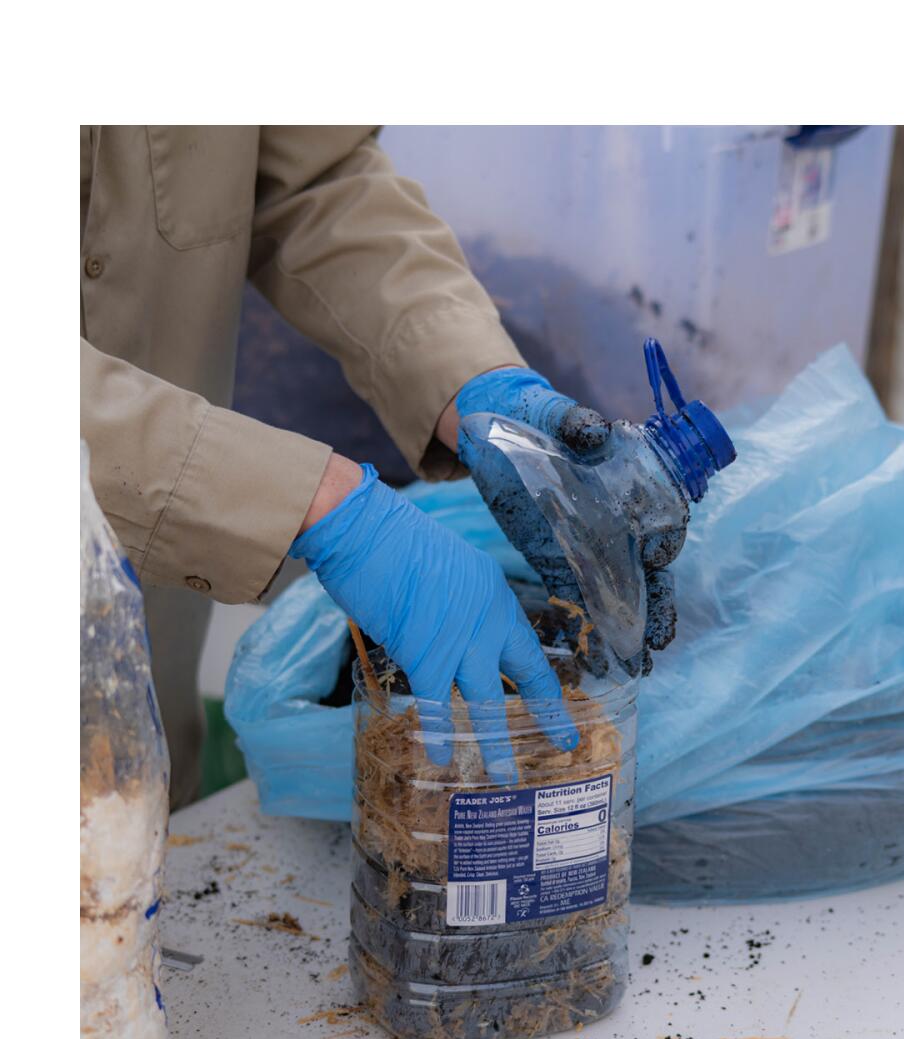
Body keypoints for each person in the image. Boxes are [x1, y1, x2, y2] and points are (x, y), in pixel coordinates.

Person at [82, 127, 684, 803]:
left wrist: (477, 385)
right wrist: (319, 506)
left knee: (132, 862)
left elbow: (316, 182)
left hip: (141, 688)